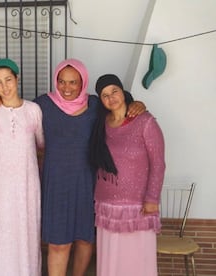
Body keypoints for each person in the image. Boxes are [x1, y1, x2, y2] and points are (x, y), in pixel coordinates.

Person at [34, 59, 146, 276]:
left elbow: (120, 107)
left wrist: (137, 104)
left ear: (82, 82)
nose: (67, 88)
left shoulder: (95, 105)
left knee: (85, 239)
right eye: (62, 81)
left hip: (88, 183)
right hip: (55, 184)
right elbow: (18, 115)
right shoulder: (42, 105)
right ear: (55, 81)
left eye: (73, 82)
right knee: (58, 243)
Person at [90, 74, 165, 276]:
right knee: (111, 260)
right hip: (107, 205)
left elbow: (158, 164)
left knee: (136, 260)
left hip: (138, 206)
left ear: (123, 91)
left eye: (114, 91)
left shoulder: (145, 122)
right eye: (104, 95)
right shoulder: (100, 124)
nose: (111, 97)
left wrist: (152, 199)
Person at [0, 58, 44, 276]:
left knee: (26, 232)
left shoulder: (34, 110)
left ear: (17, 78)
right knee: (0, 233)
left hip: (26, 184)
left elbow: (41, 145)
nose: (4, 86)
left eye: (8, 79)